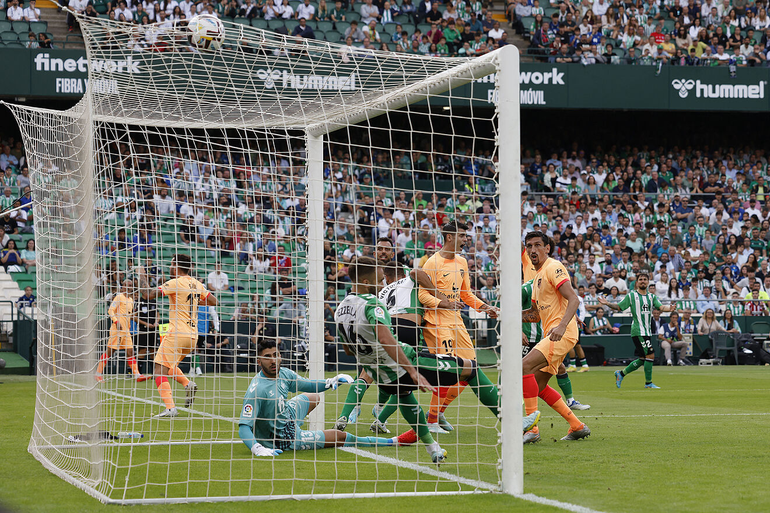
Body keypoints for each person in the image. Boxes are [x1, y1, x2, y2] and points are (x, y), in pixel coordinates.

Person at [334, 256, 538, 462]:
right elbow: (388, 341)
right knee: (471, 369)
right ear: (366, 282)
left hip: (382, 373)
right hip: (407, 360)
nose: (382, 285)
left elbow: (349, 351)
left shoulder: (340, 310)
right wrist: (413, 371)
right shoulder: (373, 305)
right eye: (379, 281)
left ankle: (433, 448)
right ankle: (513, 423)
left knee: (404, 396)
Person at [334, 238, 452, 432]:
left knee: (373, 373)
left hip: (386, 324)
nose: (382, 252)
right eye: (379, 249)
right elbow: (417, 274)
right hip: (400, 325)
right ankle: (380, 416)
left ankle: (352, 414)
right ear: (374, 254)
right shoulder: (395, 277)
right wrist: (442, 299)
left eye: (386, 249)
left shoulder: (382, 283)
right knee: (401, 379)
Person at [238, 339, 399, 456]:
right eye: (267, 357)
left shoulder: (283, 373)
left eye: (276, 355)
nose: (273, 361)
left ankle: (296, 423)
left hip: (287, 415)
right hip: (284, 438)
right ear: (259, 361)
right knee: (340, 436)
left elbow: (307, 384)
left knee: (313, 397)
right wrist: (257, 448)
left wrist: (331, 381)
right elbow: (244, 427)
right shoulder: (257, 389)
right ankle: (393, 441)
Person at [418, 221, 499, 433]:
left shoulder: (462, 262)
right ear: (449, 237)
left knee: (469, 369)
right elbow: (422, 294)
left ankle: (437, 412)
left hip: (457, 322)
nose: (466, 240)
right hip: (437, 322)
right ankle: (431, 422)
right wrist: (443, 302)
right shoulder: (432, 263)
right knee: (448, 370)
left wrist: (484, 306)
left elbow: (465, 294)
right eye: (462, 236)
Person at [521, 232, 590, 442]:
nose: (533, 250)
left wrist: (561, 325)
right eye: (529, 246)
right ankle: (577, 425)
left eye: (537, 245)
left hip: (560, 334)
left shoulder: (554, 267)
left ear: (547, 248)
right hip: (553, 334)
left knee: (522, 367)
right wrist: (507, 316)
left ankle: (531, 430)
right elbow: (534, 314)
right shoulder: (536, 279)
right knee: (539, 386)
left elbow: (574, 299)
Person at [150, 254, 217, 418]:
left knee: (158, 370)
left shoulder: (175, 282)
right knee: (168, 365)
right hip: (193, 337)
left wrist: (143, 278)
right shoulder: (196, 283)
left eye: (172, 264)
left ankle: (170, 408)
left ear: (175, 266)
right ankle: (187, 383)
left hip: (177, 333)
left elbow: (151, 295)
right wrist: (195, 302)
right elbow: (214, 301)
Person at [599, 271, 675, 389]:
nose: (643, 281)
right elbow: (619, 307)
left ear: (648, 282)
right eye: (640, 279)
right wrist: (608, 303)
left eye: (645, 279)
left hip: (646, 331)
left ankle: (621, 373)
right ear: (637, 282)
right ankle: (648, 383)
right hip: (638, 331)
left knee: (643, 358)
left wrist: (669, 308)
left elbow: (661, 307)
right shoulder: (631, 296)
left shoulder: (651, 297)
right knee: (650, 355)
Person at [95, 280, 149, 383]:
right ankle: (98, 374)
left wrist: (129, 324)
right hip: (117, 331)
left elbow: (128, 315)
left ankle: (137, 375)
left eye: (130, 285)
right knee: (110, 352)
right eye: (126, 285)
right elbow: (110, 310)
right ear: (122, 287)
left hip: (126, 331)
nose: (128, 287)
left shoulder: (131, 300)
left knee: (130, 352)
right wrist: (116, 321)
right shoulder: (119, 297)